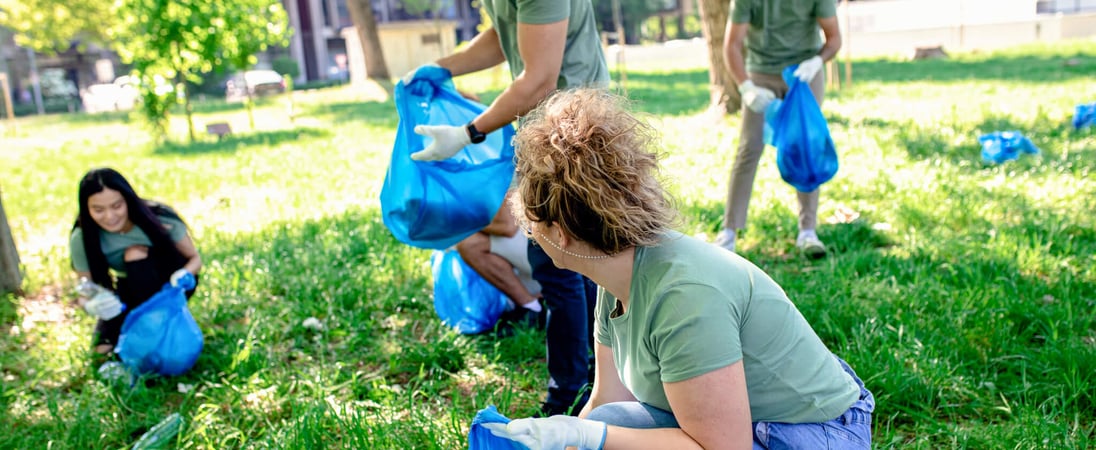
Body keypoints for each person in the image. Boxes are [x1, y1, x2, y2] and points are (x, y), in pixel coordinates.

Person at [485, 89, 873, 449]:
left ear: (562, 232)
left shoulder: (682, 295)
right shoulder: (614, 273)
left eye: (533, 220)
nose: (529, 230)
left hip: (817, 432)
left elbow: (724, 447)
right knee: (612, 421)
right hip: (756, 424)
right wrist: (574, 437)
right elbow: (607, 401)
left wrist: (591, 435)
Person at [402, 0, 609, 416]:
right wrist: (444, 67)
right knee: (576, 263)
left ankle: (569, 395)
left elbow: (539, 80)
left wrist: (469, 132)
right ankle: (595, 382)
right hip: (544, 128)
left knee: (563, 262)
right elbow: (505, 33)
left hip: (575, 130)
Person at [714, 0, 843, 258]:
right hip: (761, 73)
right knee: (749, 148)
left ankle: (808, 231)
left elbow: (834, 39)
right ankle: (729, 231)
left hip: (803, 74)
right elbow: (732, 46)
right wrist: (746, 87)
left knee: (806, 149)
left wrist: (817, 61)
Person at [70, 168, 202, 355]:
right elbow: (85, 286)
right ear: (86, 208)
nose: (109, 216)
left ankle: (151, 325)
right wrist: (90, 304)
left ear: (128, 200)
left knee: (134, 254)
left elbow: (195, 259)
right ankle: (139, 331)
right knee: (102, 350)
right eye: (98, 210)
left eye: (116, 206)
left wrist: (184, 275)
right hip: (130, 287)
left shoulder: (160, 218)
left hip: (171, 283)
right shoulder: (82, 237)